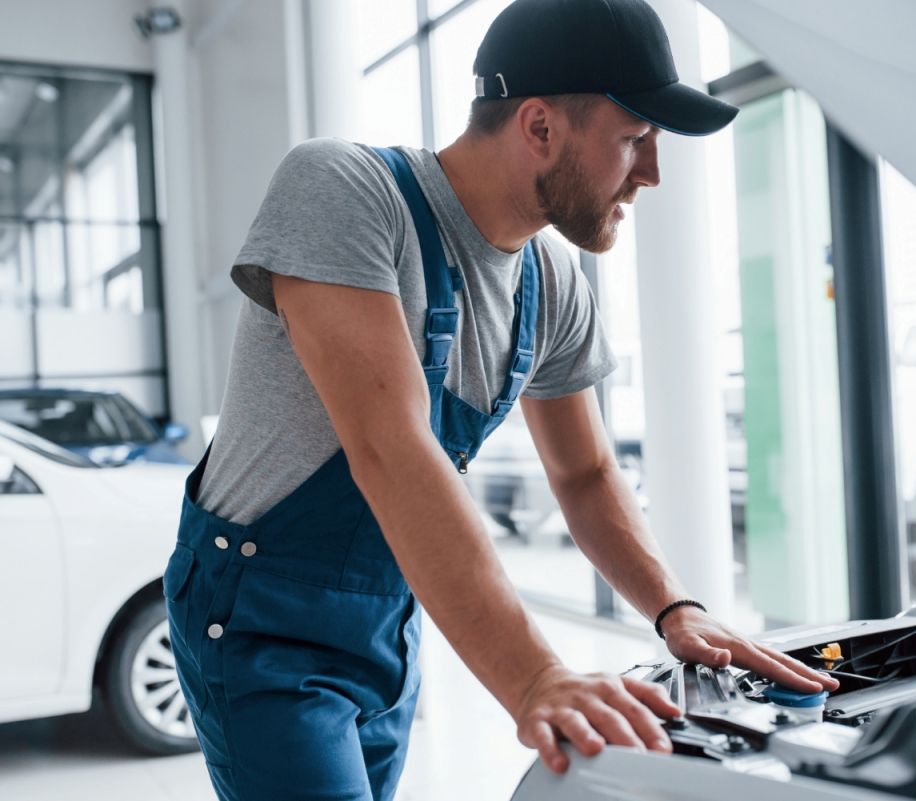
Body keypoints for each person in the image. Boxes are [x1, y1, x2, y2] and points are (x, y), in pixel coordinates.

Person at [163, 1, 840, 799]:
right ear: (541, 127)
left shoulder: (550, 283)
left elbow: (585, 474)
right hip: (261, 619)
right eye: (634, 139)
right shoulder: (341, 189)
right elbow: (391, 447)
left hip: (387, 618)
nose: (652, 173)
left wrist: (674, 607)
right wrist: (533, 679)